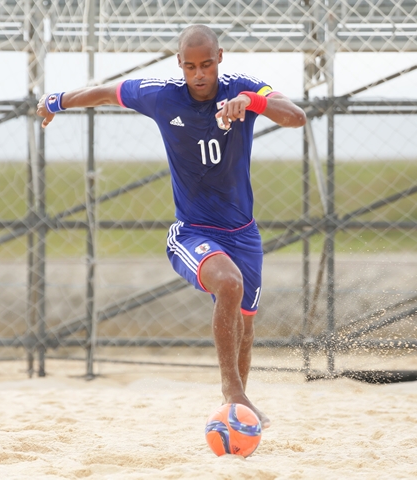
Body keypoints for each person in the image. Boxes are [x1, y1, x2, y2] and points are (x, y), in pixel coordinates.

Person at [37, 24, 306, 428]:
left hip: (243, 234)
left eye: (208, 65)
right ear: (179, 63)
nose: (200, 75)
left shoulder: (244, 88)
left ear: (220, 59)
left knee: (246, 328)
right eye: (191, 66)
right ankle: (231, 391)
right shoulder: (162, 94)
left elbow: (296, 117)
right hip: (193, 232)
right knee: (228, 285)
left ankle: (238, 413)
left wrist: (250, 102)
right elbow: (108, 93)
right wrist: (57, 101)